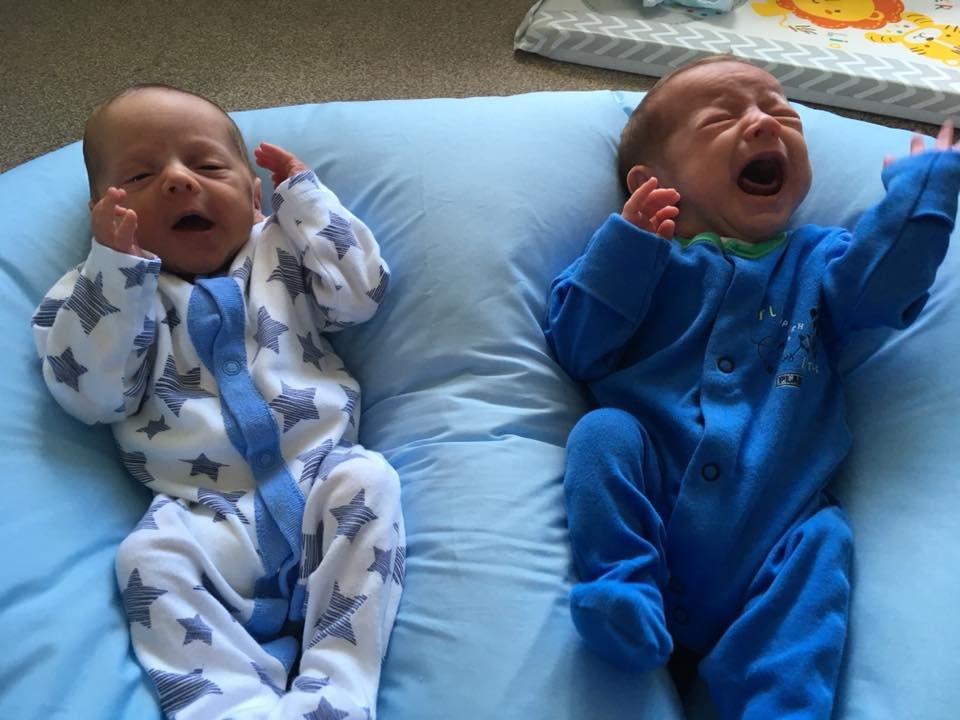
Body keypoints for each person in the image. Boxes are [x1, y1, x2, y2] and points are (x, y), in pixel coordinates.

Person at [543, 55, 960, 718]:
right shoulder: (647, 258)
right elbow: (578, 347)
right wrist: (625, 245)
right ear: (653, 182)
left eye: (782, 110)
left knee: (825, 541)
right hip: (656, 496)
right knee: (603, 436)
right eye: (723, 117)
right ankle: (623, 589)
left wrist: (923, 195)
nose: (766, 120)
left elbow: (884, 286)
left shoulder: (820, 259)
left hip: (772, 532)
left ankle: (781, 701)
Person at [31, 84, 405, 720]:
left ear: (254, 194)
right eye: (142, 176)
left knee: (369, 481)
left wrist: (307, 202)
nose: (178, 181)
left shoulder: (281, 248)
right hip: (205, 517)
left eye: (207, 166)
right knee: (146, 562)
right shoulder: (93, 293)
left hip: (321, 481)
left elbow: (362, 291)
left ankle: (335, 690)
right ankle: (231, 708)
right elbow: (92, 395)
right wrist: (114, 269)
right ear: (102, 208)